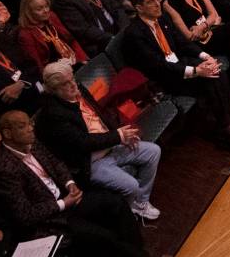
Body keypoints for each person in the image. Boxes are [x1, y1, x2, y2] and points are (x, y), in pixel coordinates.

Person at [0, 110, 185, 257]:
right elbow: (25, 215)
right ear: (7, 133)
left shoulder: (31, 142)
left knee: (115, 203)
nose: (31, 128)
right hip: (51, 220)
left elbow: (56, 164)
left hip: (67, 198)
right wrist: (64, 203)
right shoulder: (4, 169)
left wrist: (69, 184)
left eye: (30, 123)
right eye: (23, 126)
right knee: (103, 236)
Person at [119, 0, 230, 152]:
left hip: (179, 65)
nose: (158, 4)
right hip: (163, 79)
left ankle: (224, 123)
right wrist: (196, 71)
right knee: (209, 78)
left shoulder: (163, 19)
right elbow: (158, 66)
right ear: (139, 8)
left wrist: (206, 57)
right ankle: (225, 130)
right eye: (151, 2)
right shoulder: (134, 34)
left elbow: (182, 43)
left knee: (216, 69)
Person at [36, 61, 163, 220]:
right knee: (132, 185)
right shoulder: (53, 114)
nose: (72, 85)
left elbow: (101, 114)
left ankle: (140, 202)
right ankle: (131, 207)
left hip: (111, 145)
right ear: (53, 90)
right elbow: (83, 142)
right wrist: (118, 136)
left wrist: (122, 136)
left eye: (72, 79)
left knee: (153, 151)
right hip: (91, 162)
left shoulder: (79, 89)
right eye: (65, 84)